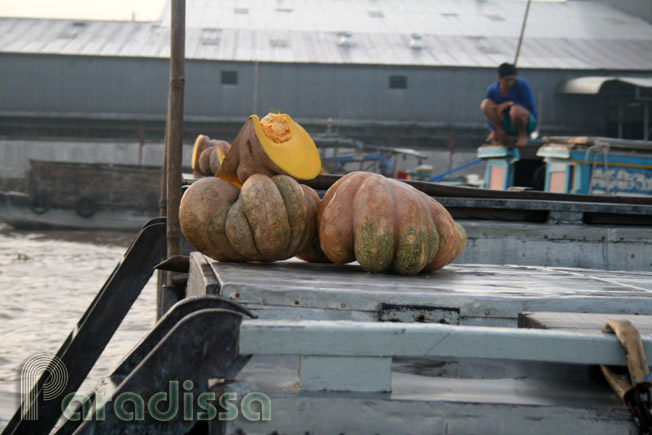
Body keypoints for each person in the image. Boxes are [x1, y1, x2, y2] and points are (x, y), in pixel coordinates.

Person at [481, 62, 538, 148]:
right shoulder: (492, 90)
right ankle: (501, 133)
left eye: (512, 79)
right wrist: (492, 129)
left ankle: (522, 135)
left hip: (525, 123)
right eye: (507, 80)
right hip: (506, 123)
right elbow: (488, 112)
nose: (510, 82)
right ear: (499, 78)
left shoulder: (522, 85)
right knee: (486, 104)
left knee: (515, 110)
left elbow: (530, 105)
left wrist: (509, 104)